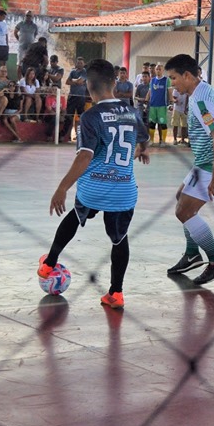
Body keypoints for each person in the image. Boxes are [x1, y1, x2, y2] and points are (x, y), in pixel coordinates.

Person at [39, 59, 150, 308]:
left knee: (75, 216)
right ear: (115, 83)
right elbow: (143, 137)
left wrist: (62, 187)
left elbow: (85, 155)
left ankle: (48, 264)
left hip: (93, 189)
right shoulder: (132, 111)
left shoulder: (91, 116)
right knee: (119, 239)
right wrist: (143, 150)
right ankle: (116, 293)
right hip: (123, 191)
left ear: (89, 86)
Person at [163, 54, 214, 285]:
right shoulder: (199, 93)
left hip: (213, 163)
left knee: (184, 212)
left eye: (174, 78)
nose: (172, 83)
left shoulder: (202, 99)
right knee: (180, 199)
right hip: (204, 160)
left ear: (187, 75)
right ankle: (192, 254)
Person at [61, 57, 88, 141]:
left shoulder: (85, 72)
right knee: (69, 117)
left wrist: (73, 80)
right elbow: (67, 82)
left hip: (80, 97)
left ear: (84, 64)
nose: (79, 64)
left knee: (81, 117)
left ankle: (83, 136)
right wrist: (75, 81)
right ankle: (64, 136)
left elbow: (80, 81)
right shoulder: (73, 71)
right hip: (72, 96)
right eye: (78, 63)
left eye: (81, 63)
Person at [148, 63, 170, 146]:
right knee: (152, 123)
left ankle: (163, 141)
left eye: (159, 69)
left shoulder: (166, 80)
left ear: (163, 70)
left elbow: (169, 92)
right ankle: (151, 140)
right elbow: (150, 92)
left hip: (162, 105)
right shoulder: (152, 80)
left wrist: (171, 102)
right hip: (153, 105)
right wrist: (146, 100)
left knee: (162, 123)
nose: (158, 71)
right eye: (156, 69)